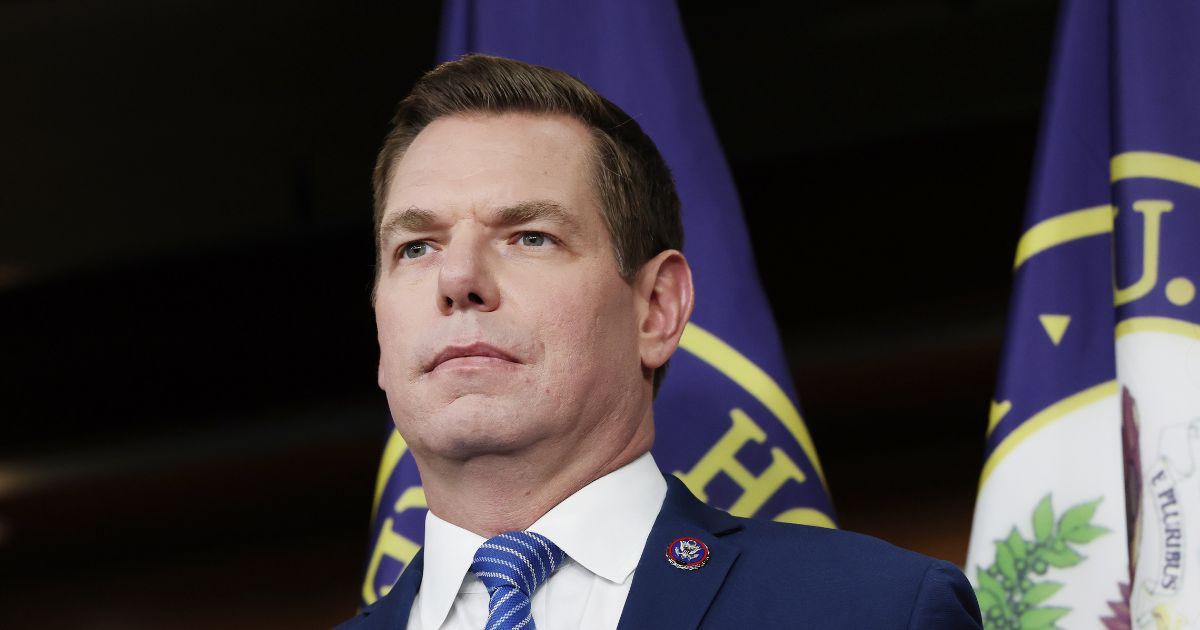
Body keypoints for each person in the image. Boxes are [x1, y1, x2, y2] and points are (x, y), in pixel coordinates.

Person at [337, 54, 982, 630]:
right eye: (416, 247)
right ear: (380, 330)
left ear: (656, 308)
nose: (457, 280)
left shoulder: (874, 612)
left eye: (530, 236)